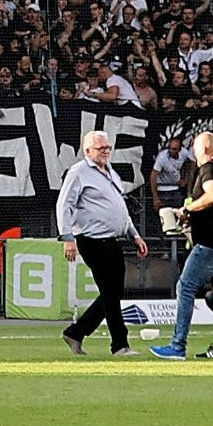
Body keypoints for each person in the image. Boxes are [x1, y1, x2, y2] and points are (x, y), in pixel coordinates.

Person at [151, 130, 213, 360]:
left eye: (195, 149)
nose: (193, 154)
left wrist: (188, 209)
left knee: (185, 287)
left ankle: (178, 345)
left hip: (210, 244)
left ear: (204, 149)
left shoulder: (210, 168)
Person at [54, 128, 145, 354]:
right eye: (100, 148)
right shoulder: (79, 172)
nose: (105, 151)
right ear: (87, 150)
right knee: (111, 292)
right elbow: (64, 204)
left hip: (112, 239)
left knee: (114, 292)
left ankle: (76, 332)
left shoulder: (110, 172)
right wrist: (67, 237)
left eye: (107, 147)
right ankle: (120, 344)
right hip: (92, 239)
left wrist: (134, 234)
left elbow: (120, 207)